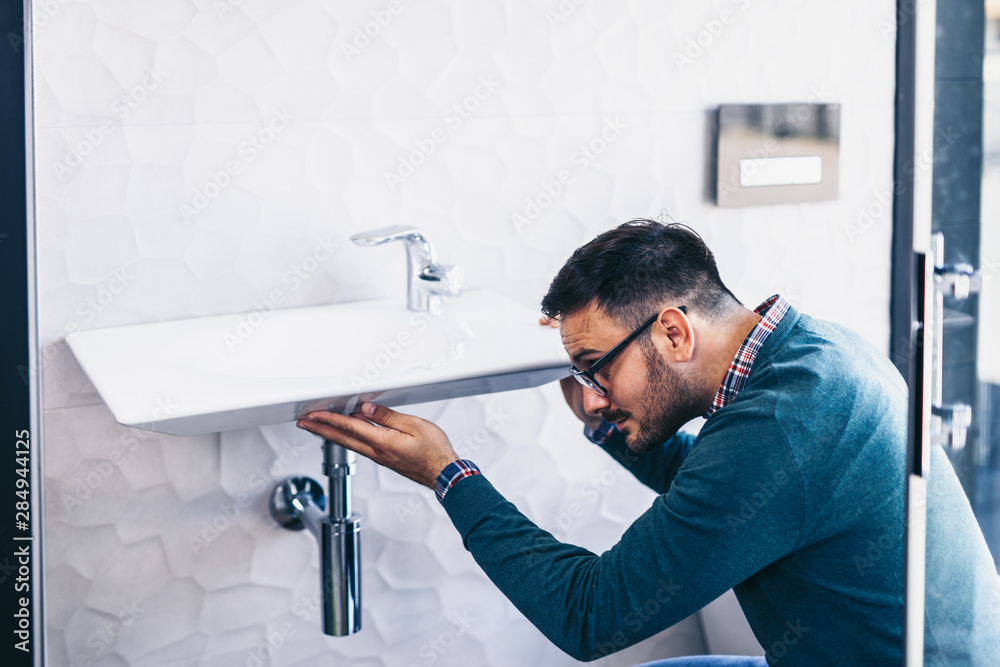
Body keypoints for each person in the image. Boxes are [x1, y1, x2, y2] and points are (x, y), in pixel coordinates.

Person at [297, 219, 1000, 665]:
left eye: (598, 366)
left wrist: (448, 474)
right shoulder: (807, 352)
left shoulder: (787, 423)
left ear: (672, 330)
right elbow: (731, 496)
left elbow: (590, 614)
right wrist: (610, 422)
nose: (593, 389)